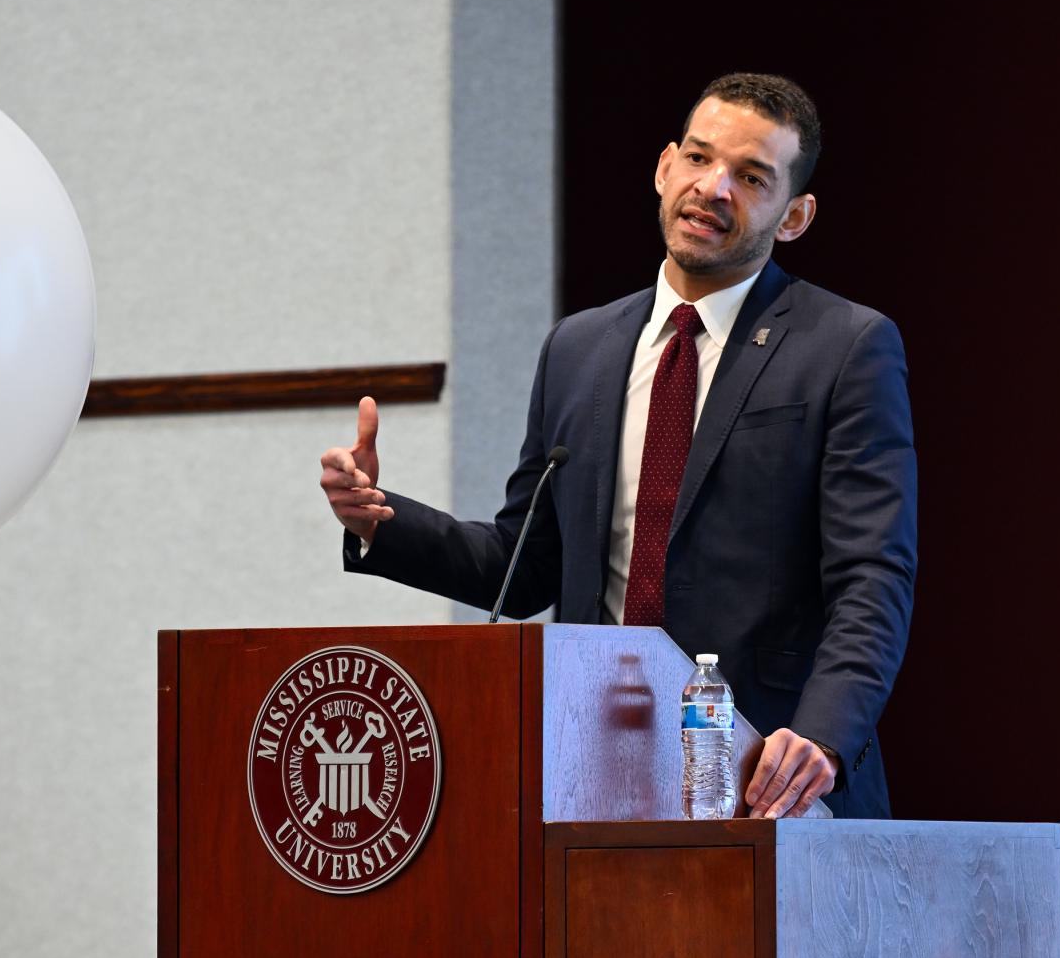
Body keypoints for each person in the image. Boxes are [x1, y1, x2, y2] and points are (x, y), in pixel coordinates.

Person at [318, 73, 915, 820]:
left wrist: (823, 736)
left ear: (794, 216)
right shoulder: (579, 348)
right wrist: (380, 520)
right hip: (596, 769)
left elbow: (872, 575)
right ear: (665, 167)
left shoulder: (845, 346)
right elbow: (523, 565)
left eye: (752, 177)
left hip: (767, 774)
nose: (713, 188)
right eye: (699, 158)